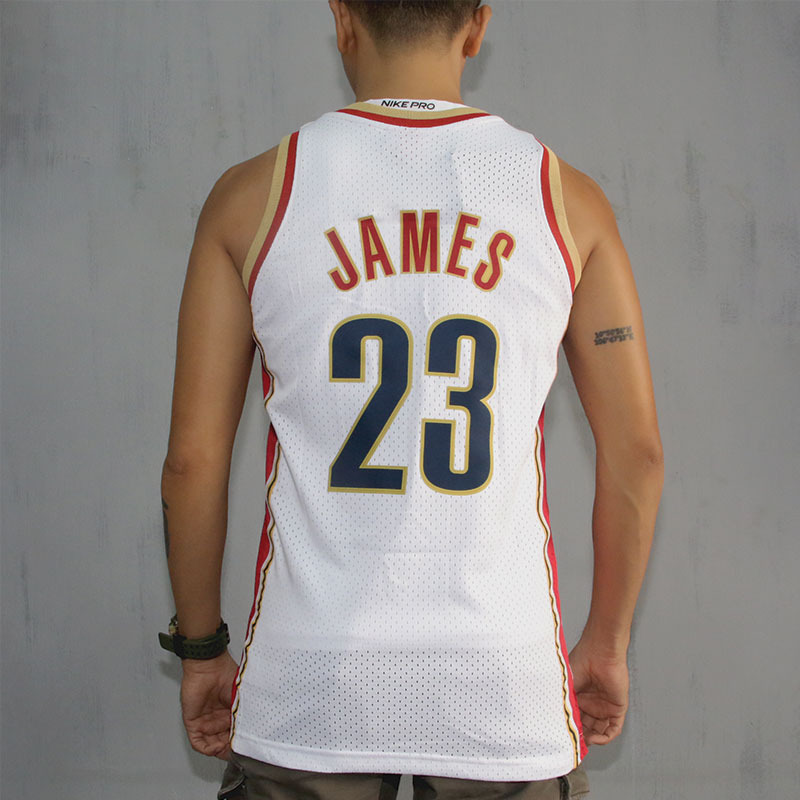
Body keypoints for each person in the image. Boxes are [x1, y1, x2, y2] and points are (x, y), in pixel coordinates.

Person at [159, 1, 664, 798]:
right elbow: (637, 455)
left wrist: (200, 650)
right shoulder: (568, 200)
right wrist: (606, 643)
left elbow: (192, 463)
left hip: (309, 682)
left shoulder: (252, 195)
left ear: (342, 18)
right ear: (478, 26)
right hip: (503, 682)